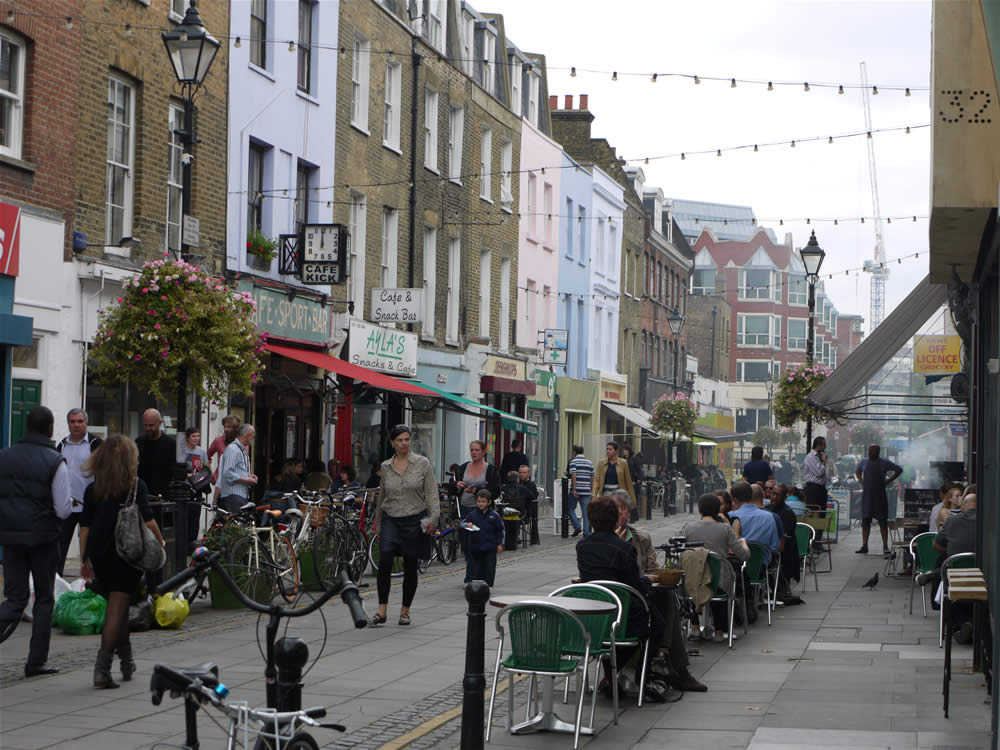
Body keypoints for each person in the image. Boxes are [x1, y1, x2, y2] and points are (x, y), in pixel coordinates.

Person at [79, 435, 165, 688]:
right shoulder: (135, 486)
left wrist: (85, 558)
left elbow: (85, 527)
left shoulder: (93, 489)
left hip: (100, 552)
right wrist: (160, 543)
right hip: (125, 551)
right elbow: (148, 520)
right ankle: (102, 669)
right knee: (117, 607)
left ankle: (127, 661)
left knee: (119, 604)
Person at [609, 491, 707, 692]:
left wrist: (649, 578)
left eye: (623, 508)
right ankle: (673, 665)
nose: (619, 513)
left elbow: (652, 569)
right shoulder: (601, 540)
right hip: (614, 604)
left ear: (629, 513)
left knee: (666, 596)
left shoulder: (641, 538)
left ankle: (664, 656)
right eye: (614, 508)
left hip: (642, 595)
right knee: (665, 602)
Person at [0, 406, 72, 676]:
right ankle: (36, 661)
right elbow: (64, 509)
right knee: (43, 599)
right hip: (43, 538)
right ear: (51, 428)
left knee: (15, 599)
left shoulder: (4, 457)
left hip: (10, 537)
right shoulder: (55, 461)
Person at [373, 425, 438, 627]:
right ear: (392, 443)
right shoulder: (385, 466)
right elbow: (382, 495)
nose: (403, 443)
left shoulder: (422, 463)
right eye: (400, 440)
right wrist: (377, 521)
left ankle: (404, 610)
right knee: (384, 562)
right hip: (391, 518)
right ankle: (382, 609)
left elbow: (431, 492)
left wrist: (434, 517)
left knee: (410, 564)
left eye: (407, 439)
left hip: (413, 519)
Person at [683, 493, 750, 641]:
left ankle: (694, 627)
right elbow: (743, 556)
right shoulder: (725, 529)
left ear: (699, 509)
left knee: (689, 584)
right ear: (717, 510)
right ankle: (719, 631)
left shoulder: (689, 528)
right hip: (719, 580)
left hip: (694, 580)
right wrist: (744, 543)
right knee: (719, 583)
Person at [57, 408, 102, 576]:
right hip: (67, 505)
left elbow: (105, 472)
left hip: (90, 505)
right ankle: (56, 581)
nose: (76, 425)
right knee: (60, 547)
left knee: (91, 547)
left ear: (86, 423)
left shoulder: (96, 444)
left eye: (79, 421)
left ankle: (93, 582)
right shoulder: (62, 445)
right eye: (72, 421)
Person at [855, 445, 903, 556]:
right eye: (869, 451)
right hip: (867, 496)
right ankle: (864, 546)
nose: (870, 453)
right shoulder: (864, 462)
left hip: (880, 496)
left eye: (872, 451)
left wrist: (889, 481)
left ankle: (885, 546)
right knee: (865, 521)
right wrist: (861, 481)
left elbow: (899, 470)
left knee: (882, 522)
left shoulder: (884, 462)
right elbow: (858, 471)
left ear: (878, 452)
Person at [728, 481, 780, 565]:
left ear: (734, 499)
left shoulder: (730, 516)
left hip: (737, 565)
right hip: (762, 566)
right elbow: (775, 546)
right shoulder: (769, 517)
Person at [462, 489, 504, 586]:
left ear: (489, 502)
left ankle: (489, 584)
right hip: (475, 545)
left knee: (490, 566)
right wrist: (467, 524)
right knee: (472, 564)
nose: (481, 504)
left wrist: (500, 543)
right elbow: (463, 523)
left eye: (483, 501)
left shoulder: (494, 516)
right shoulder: (472, 514)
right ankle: (469, 580)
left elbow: (500, 530)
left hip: (490, 546)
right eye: (479, 501)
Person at [766, 484, 801, 599]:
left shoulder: (788, 513)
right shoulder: (767, 509)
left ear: (785, 497)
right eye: (773, 494)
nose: (774, 497)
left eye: (778, 495)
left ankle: (781, 590)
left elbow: (784, 537)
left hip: (785, 552)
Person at [135, 409, 177, 499]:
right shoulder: (139, 442)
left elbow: (174, 472)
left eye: (151, 425)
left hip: (164, 496)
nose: (147, 428)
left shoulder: (171, 445)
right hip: (143, 495)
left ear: (160, 423)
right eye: (145, 425)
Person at [455, 440, 502, 519]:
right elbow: (452, 484)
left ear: (483, 452)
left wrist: (476, 491)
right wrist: (457, 485)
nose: (474, 452)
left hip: (483, 510)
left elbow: (496, 492)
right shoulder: (463, 467)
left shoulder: (491, 470)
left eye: (477, 450)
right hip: (464, 508)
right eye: (472, 450)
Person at [217, 424, 257, 514]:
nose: (253, 438)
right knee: (235, 526)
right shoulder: (233, 449)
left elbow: (235, 471)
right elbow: (227, 473)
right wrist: (246, 480)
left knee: (240, 526)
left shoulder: (241, 450)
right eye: (253, 436)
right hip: (233, 496)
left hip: (240, 496)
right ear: (247, 435)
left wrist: (248, 476)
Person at [181, 426, 209, 547]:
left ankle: (191, 546)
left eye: (198, 436)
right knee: (183, 519)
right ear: (187, 438)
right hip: (184, 488)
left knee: (194, 519)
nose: (196, 438)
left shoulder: (201, 452)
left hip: (197, 488)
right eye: (193, 436)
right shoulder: (181, 451)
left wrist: (207, 476)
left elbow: (205, 467)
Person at [801, 436, 829, 548]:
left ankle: (818, 541)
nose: (825, 447)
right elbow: (819, 472)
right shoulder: (811, 457)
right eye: (824, 445)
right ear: (819, 445)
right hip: (813, 489)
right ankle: (811, 541)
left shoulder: (818, 457)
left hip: (820, 489)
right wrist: (825, 461)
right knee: (813, 514)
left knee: (822, 513)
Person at [594, 441, 636, 511]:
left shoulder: (623, 463)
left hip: (618, 495)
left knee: (617, 516)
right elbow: (597, 480)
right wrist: (594, 495)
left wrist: (633, 499)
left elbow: (628, 482)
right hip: (605, 495)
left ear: (616, 451)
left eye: (610, 449)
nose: (608, 451)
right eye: (607, 449)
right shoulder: (601, 463)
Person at [568, 444, 594, 537]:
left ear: (574, 452)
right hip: (587, 490)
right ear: (583, 452)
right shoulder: (589, 462)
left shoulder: (573, 462)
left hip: (576, 490)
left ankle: (577, 526)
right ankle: (586, 533)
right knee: (586, 512)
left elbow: (573, 475)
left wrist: (574, 488)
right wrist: (591, 489)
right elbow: (592, 477)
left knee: (570, 508)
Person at [208, 415, 241, 489]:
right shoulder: (218, 441)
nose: (225, 429)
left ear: (235, 429)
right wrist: (212, 475)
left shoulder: (242, 443)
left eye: (228, 427)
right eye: (224, 426)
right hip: (220, 484)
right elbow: (206, 457)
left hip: (237, 484)